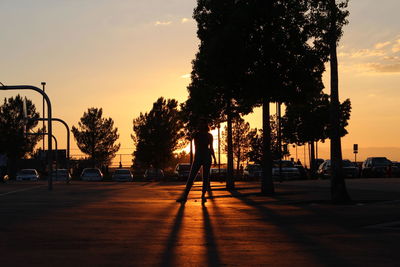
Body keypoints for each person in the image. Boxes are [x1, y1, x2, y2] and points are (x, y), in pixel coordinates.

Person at [177, 120, 217, 204]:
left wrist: (214, 158)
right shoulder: (196, 134)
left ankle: (203, 195)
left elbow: (211, 148)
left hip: (206, 156)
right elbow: (189, 138)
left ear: (205, 125)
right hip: (198, 156)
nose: (202, 125)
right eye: (200, 123)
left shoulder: (209, 135)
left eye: (203, 123)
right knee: (191, 176)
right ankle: (185, 195)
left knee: (205, 177)